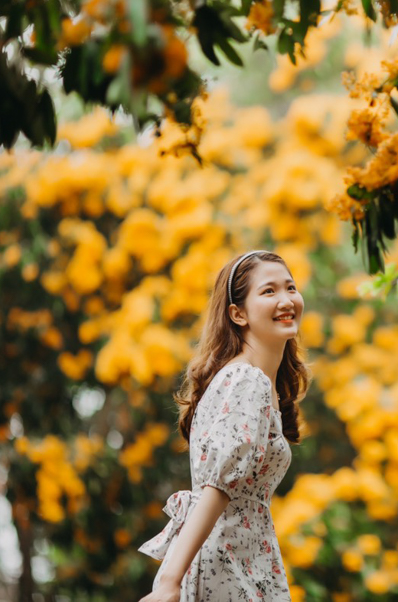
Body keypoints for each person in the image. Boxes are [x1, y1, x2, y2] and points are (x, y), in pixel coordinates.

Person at [137, 249, 309, 601]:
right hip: (228, 569)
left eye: (290, 287)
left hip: (246, 563)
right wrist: (168, 581)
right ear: (238, 314)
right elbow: (217, 486)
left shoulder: (259, 383)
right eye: (269, 291)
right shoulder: (248, 380)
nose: (286, 299)